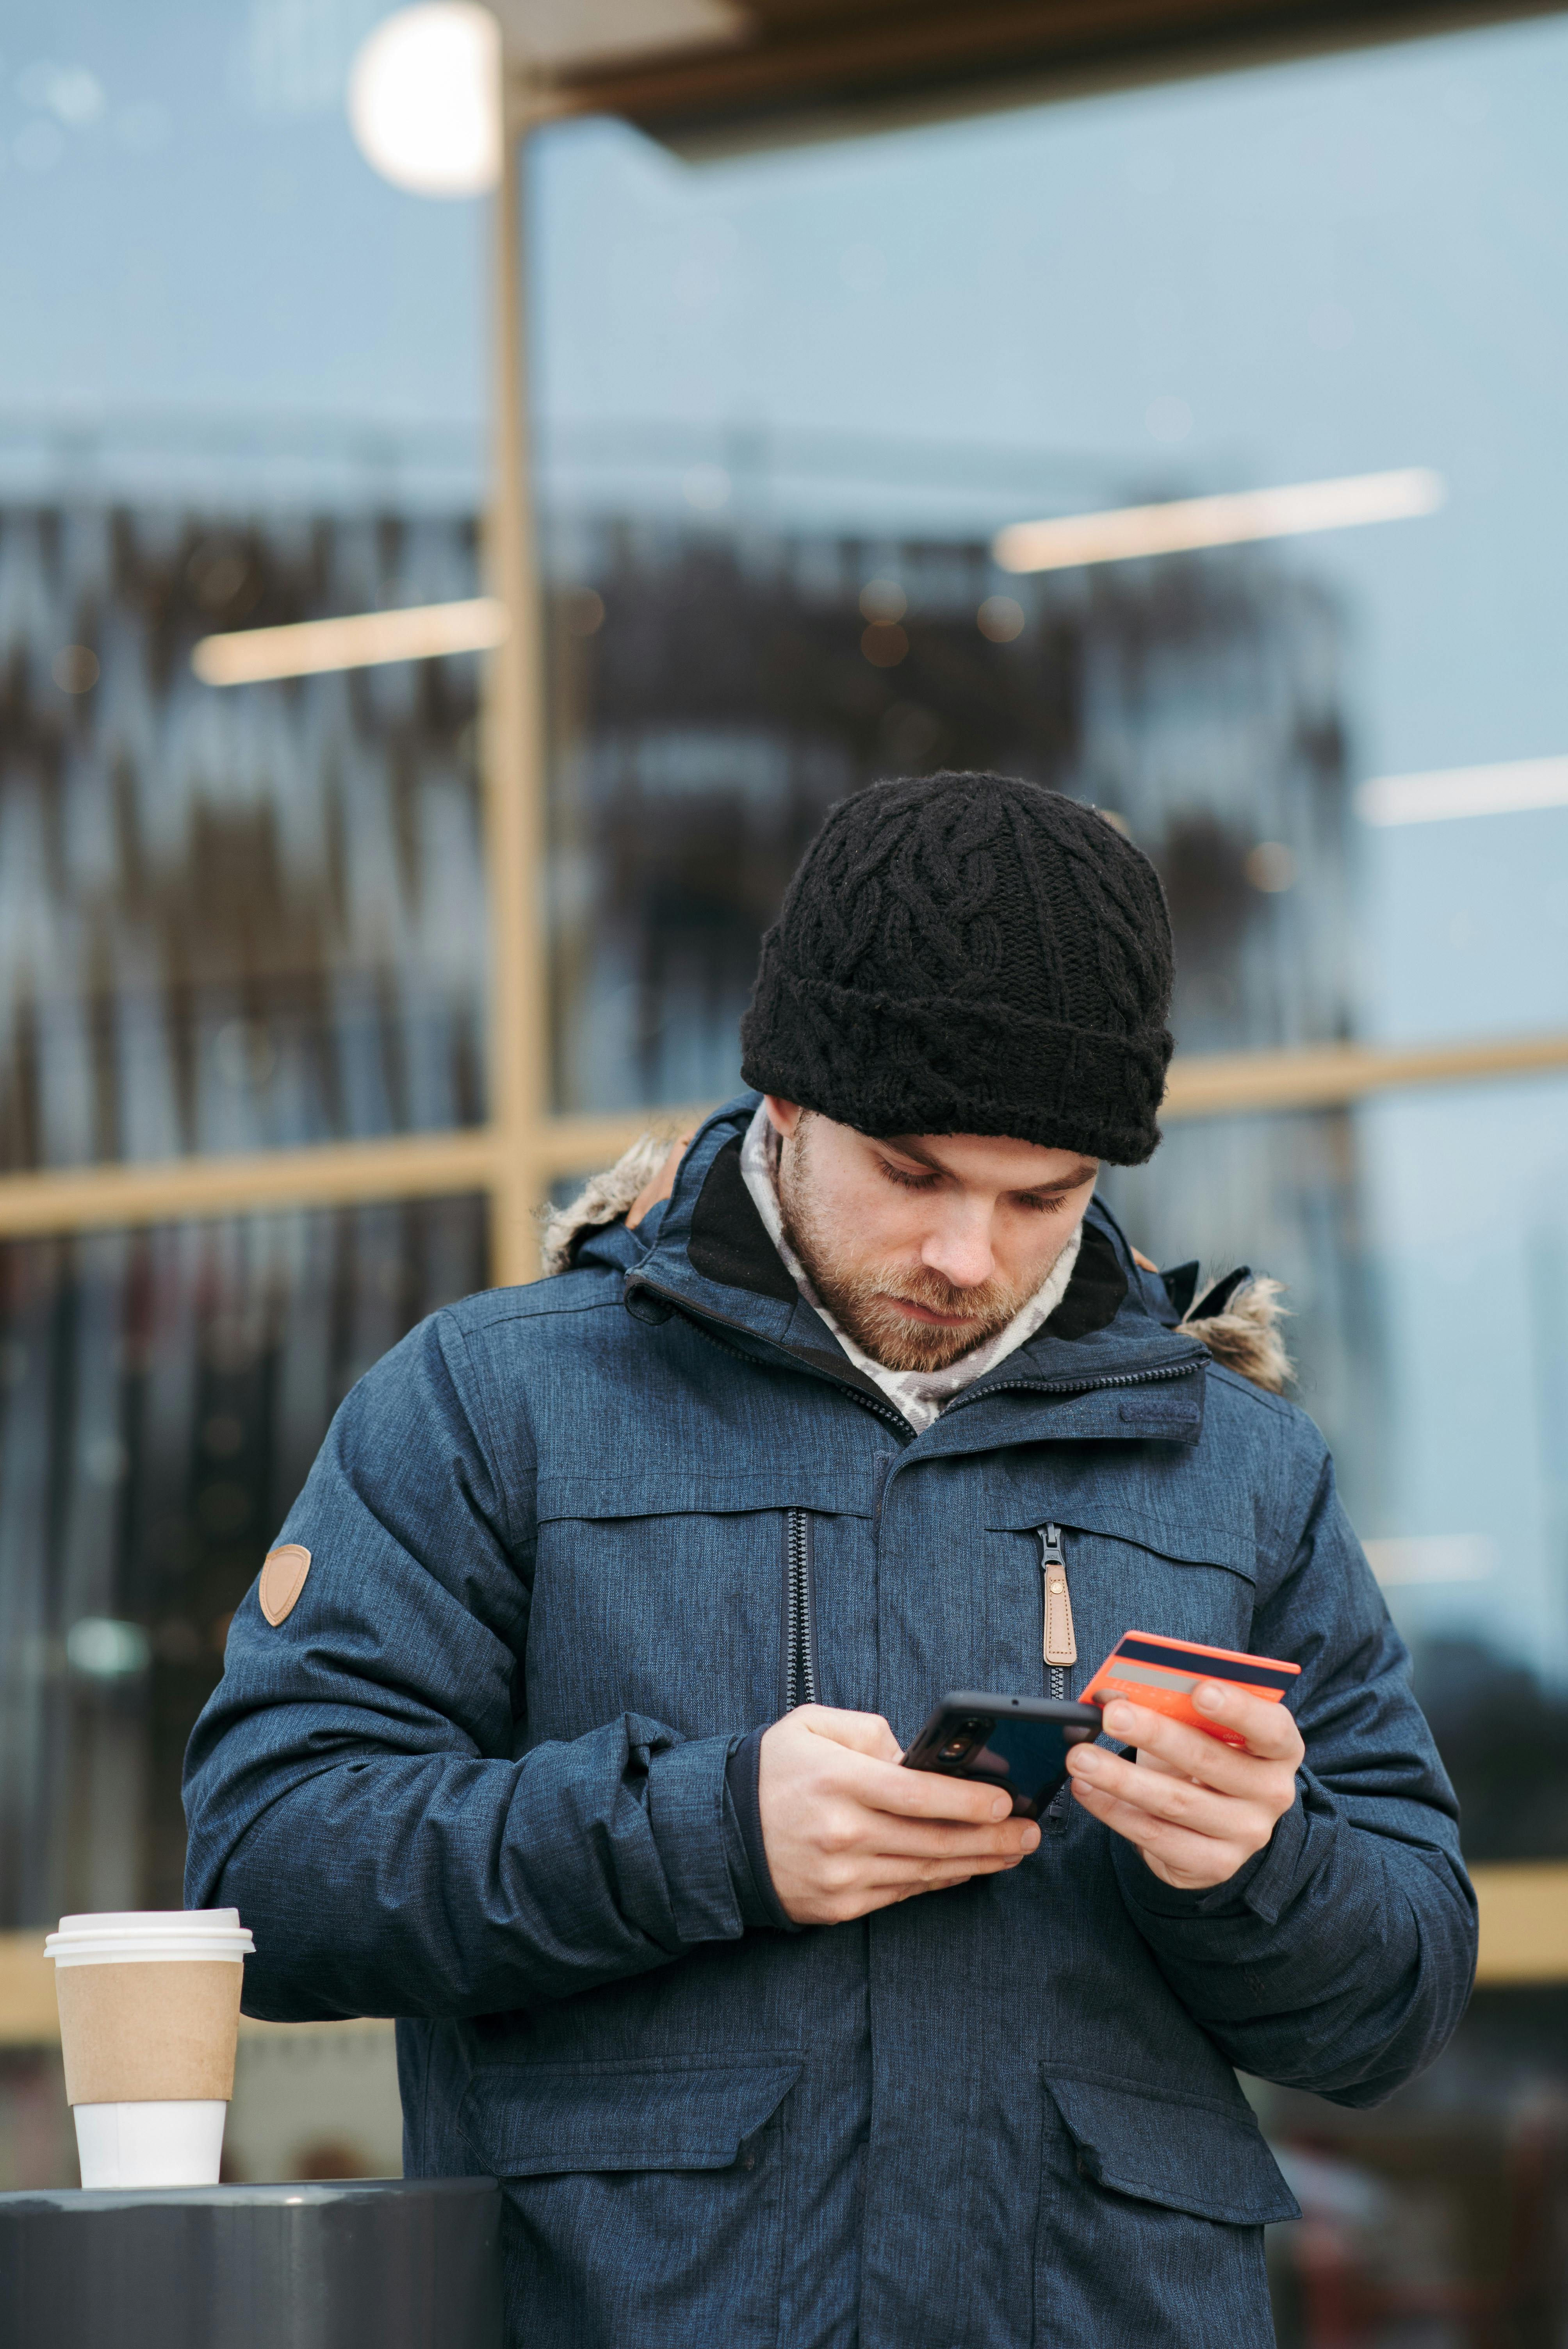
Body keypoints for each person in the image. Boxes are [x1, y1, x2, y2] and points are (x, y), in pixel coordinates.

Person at [184, 772, 1475, 2349]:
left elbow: (1396, 1998)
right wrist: (713, 1834)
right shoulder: (491, 1400)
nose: (966, 1255)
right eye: (914, 1173)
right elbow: (268, 1867)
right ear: (785, 1101)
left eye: (1040, 1199)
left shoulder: (1241, 1467)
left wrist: (1254, 1867)